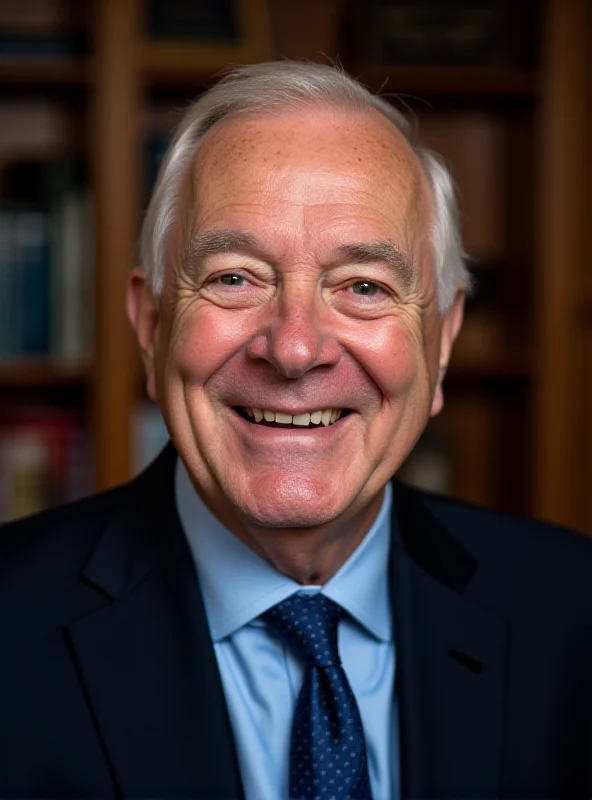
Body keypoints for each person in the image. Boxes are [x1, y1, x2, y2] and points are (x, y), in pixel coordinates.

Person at [1, 61, 591, 800]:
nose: (295, 348)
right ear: (152, 327)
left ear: (439, 344)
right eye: (235, 277)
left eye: (364, 287)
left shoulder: (575, 614)